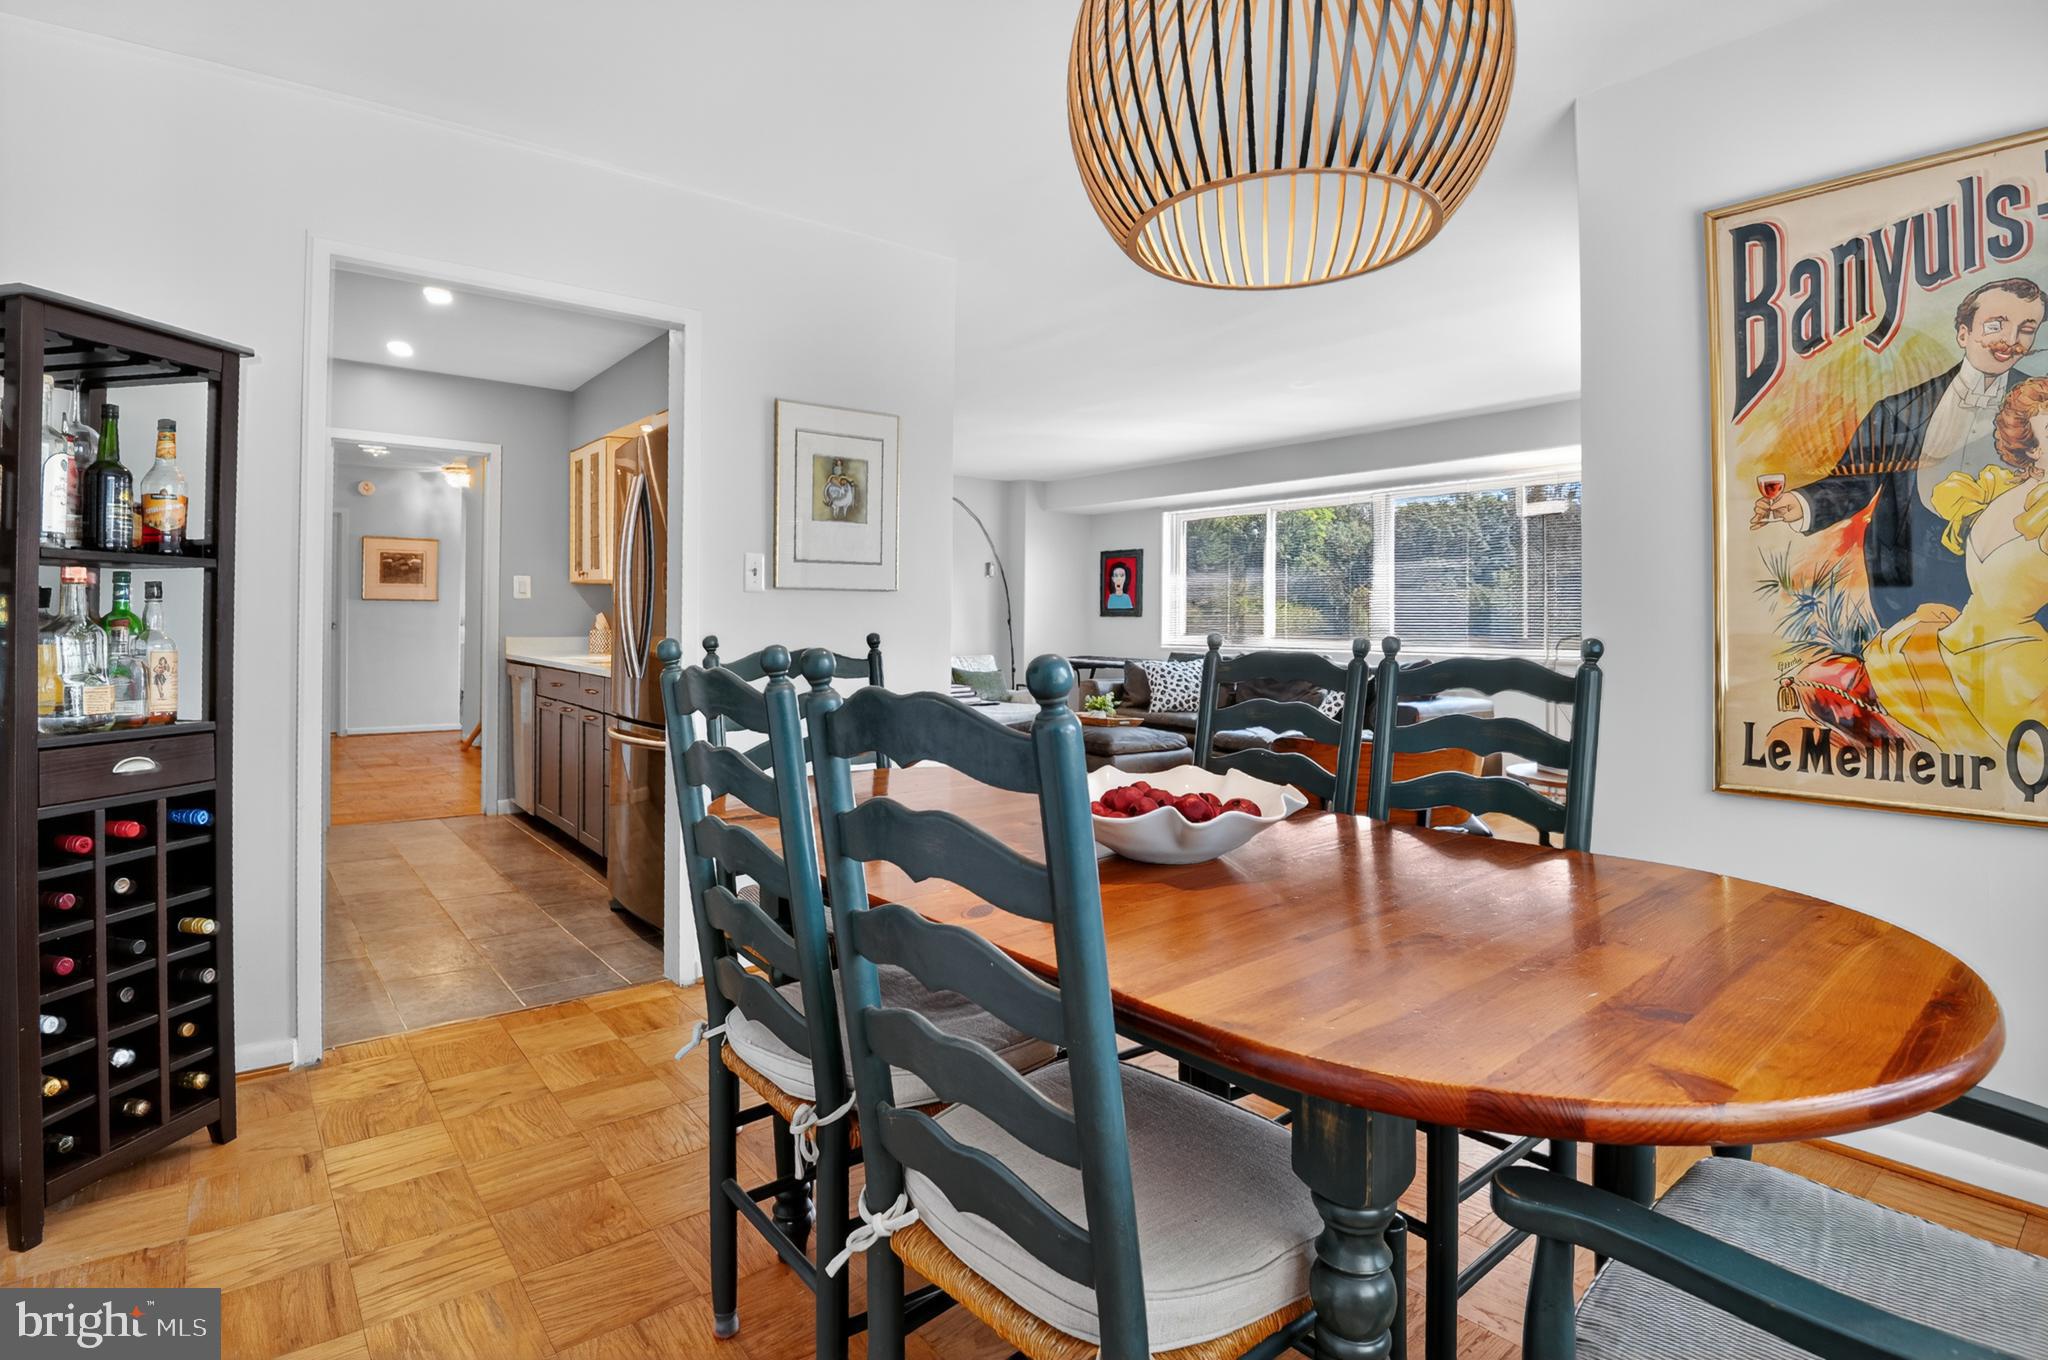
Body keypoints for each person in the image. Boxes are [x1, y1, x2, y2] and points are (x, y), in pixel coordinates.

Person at [1753, 277, 2043, 628]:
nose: (2010, 341)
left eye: (2026, 329)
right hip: (1911, 577)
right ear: (1963, 333)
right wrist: (1800, 504)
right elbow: (1855, 481)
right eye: (1995, 325)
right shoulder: (1898, 409)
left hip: (2011, 582)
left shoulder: (2043, 408)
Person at [1862, 375, 2048, 756]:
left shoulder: (2013, 496)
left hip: (2007, 666)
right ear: (2029, 445)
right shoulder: (2001, 490)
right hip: (1975, 660)